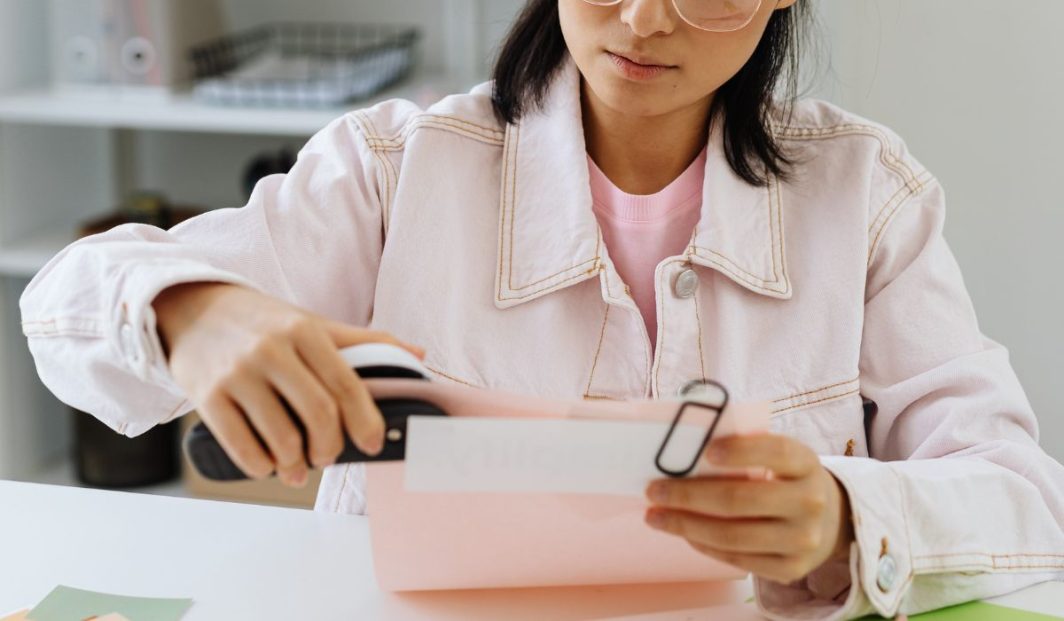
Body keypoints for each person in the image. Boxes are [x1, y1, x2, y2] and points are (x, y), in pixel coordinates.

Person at [19, 1, 1064, 619]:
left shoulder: (865, 194)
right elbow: (66, 306)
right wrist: (195, 314)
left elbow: (1025, 504)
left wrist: (843, 517)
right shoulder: (395, 169)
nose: (646, 19)